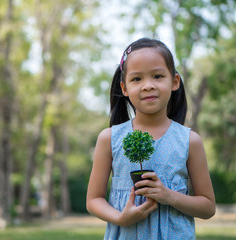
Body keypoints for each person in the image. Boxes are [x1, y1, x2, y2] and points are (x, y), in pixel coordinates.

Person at [86, 38, 215, 240]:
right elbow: (93, 200)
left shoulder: (190, 141)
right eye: (137, 79)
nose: (148, 86)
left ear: (174, 82)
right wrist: (120, 218)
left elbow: (208, 207)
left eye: (157, 76)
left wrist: (169, 196)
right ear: (124, 88)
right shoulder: (109, 138)